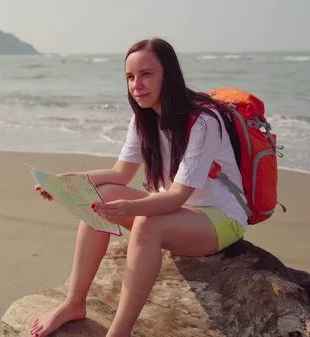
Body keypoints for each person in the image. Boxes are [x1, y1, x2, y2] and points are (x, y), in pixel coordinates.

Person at [30, 38, 248, 337]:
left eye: (146, 74)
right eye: (130, 77)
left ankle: (119, 332)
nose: (136, 85)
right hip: (178, 214)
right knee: (101, 195)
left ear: (168, 74)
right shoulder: (144, 118)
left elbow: (175, 197)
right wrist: (67, 182)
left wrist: (131, 209)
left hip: (218, 219)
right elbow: (120, 174)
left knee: (147, 224)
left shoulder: (204, 122)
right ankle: (73, 303)